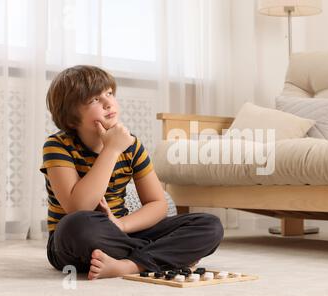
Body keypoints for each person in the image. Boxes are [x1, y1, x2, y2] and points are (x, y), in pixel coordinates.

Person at [40, 65, 223, 280]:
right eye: (94, 100)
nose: (108, 102)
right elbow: (78, 207)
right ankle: (165, 255)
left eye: (109, 93)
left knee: (210, 225)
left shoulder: (132, 146)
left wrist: (122, 224)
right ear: (71, 118)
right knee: (76, 225)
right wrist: (111, 149)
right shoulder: (57, 145)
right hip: (76, 242)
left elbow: (158, 204)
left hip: (121, 232)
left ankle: (129, 265)